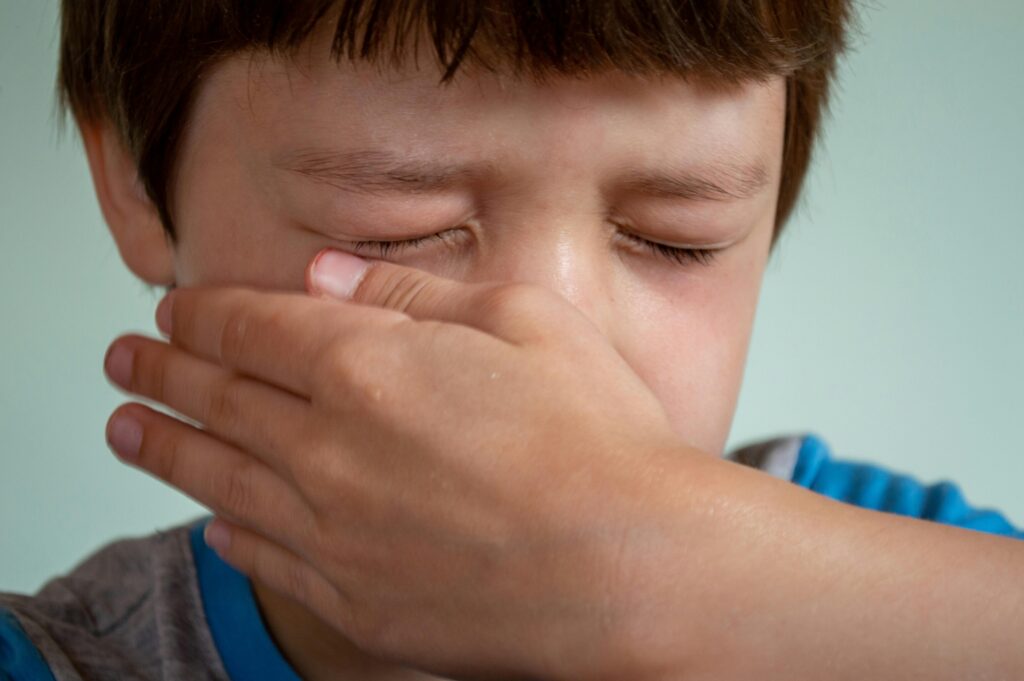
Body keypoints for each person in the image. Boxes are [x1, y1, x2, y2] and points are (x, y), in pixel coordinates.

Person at [2, 2, 1022, 680]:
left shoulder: (912, 592)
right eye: (395, 230)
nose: (546, 337)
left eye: (673, 238)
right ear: (135, 180)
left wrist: (669, 583)